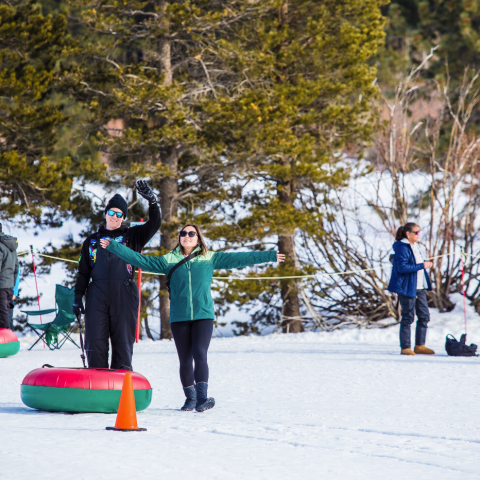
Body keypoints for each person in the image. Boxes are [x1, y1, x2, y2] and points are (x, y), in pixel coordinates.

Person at [100, 223, 285, 412]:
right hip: (179, 317)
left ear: (198, 238)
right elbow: (140, 260)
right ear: (179, 237)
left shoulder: (210, 258)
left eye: (191, 233)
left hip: (203, 315)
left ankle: (202, 398)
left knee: (199, 352)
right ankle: (190, 398)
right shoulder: (168, 260)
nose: (187, 236)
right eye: (183, 233)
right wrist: (114, 246)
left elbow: (240, 258)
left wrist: (269, 256)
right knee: (185, 359)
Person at [73, 180, 161, 370]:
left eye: (119, 214)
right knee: (95, 343)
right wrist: (78, 297)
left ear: (123, 217)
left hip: (124, 293)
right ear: (105, 213)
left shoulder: (133, 236)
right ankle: (97, 387)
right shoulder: (91, 241)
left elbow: (155, 224)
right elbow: (83, 272)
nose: (114, 216)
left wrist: (152, 202)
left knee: (122, 342)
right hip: (97, 293)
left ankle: (120, 389)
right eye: (111, 212)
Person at [387, 222, 434, 356]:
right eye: (416, 232)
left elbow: (418, 264)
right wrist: (422, 265)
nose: (419, 235)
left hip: (419, 287)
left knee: (424, 316)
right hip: (408, 287)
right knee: (408, 317)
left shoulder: (416, 246)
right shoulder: (402, 247)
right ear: (408, 234)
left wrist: (425, 264)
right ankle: (405, 347)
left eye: (419, 232)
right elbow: (403, 268)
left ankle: (420, 345)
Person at [0, 224, 18, 330]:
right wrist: (12, 284)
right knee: (7, 314)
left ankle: (5, 343)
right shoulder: (11, 245)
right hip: (9, 286)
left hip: (1, 287)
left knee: (2, 317)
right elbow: (16, 268)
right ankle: (8, 339)